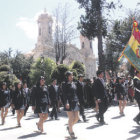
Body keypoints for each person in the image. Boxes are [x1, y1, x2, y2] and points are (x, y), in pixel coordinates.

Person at [63, 71, 79, 139]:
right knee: (71, 117)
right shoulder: (65, 84)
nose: (72, 77)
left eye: (72, 75)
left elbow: (75, 93)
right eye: (70, 76)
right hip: (68, 103)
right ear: (67, 77)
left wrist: (77, 101)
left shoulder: (74, 83)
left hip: (75, 102)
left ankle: (69, 127)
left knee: (77, 118)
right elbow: (64, 95)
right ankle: (71, 133)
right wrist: (66, 102)